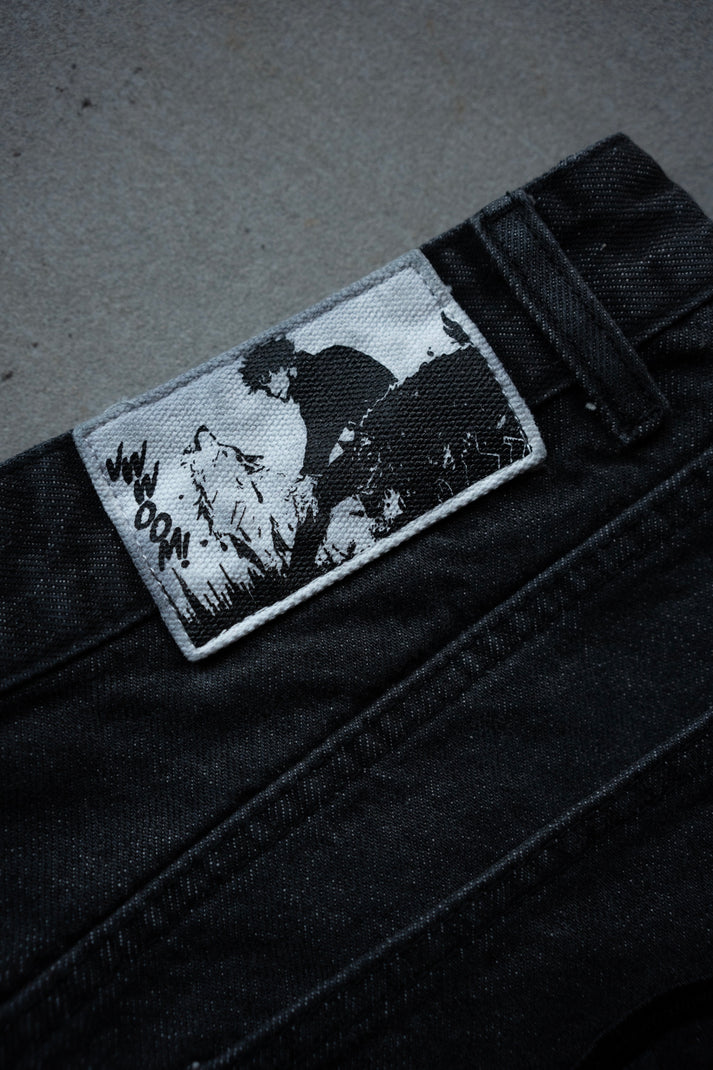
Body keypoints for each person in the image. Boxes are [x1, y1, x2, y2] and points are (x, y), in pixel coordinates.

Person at [240, 335, 396, 476]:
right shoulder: (333, 355)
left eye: (266, 381)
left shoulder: (313, 385)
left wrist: (308, 477)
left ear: (281, 366)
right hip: (396, 419)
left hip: (393, 435)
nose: (270, 392)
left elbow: (320, 445)